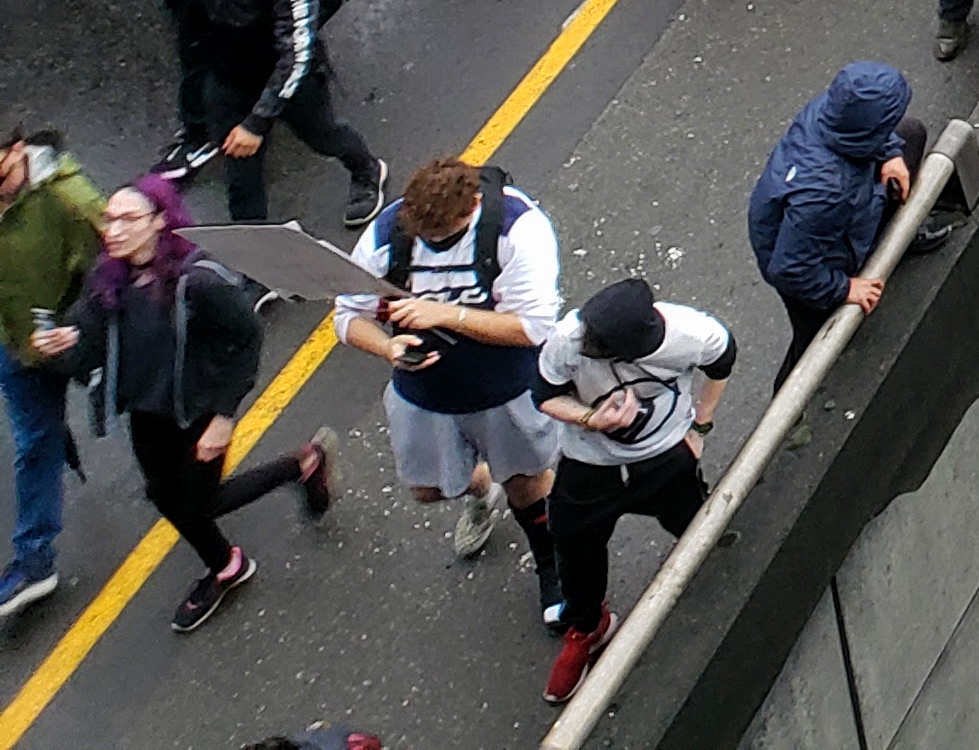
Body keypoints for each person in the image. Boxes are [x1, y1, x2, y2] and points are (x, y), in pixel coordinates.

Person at [36, 177, 331, 634]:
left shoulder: (198, 282)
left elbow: (246, 338)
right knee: (163, 494)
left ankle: (300, 464)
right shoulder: (108, 279)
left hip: (196, 410)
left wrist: (224, 416)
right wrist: (65, 341)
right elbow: (89, 340)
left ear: (159, 222)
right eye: (110, 218)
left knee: (200, 502)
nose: (113, 229)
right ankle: (226, 565)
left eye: (128, 219)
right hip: (146, 410)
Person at [333, 157, 567, 625]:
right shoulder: (388, 235)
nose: (432, 243)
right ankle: (481, 487)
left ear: (473, 204)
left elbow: (534, 326)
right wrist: (387, 347)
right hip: (424, 393)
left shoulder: (517, 229)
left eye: (443, 236)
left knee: (526, 480)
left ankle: (551, 564)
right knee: (427, 489)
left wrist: (445, 315)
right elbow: (346, 316)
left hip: (504, 388)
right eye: (424, 235)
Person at [532, 277, 737, 704]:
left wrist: (700, 427)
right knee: (572, 543)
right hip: (589, 464)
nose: (584, 344)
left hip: (663, 457)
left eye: (599, 346)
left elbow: (721, 364)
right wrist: (591, 419)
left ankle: (713, 562)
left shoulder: (693, 334)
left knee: (689, 519)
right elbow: (545, 396)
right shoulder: (568, 339)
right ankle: (588, 626)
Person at [745, 61, 925, 363]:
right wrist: (843, 288)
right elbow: (790, 270)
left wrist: (890, 152)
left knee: (910, 135)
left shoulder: (830, 110)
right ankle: (793, 400)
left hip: (817, 223)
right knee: (812, 341)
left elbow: (860, 136)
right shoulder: (825, 194)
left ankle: (893, 239)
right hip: (809, 257)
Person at [0, 130, 102, 622]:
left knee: (153, 411)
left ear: (17, 150)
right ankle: (35, 560)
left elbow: (117, 262)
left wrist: (75, 327)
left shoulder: (68, 198)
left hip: (72, 340)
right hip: (18, 346)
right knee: (34, 442)